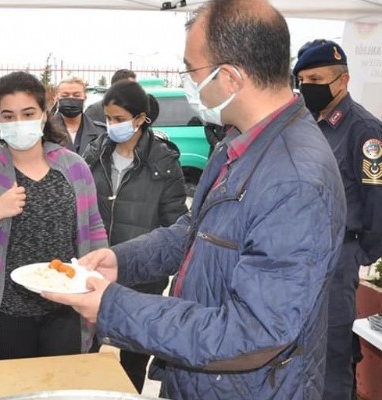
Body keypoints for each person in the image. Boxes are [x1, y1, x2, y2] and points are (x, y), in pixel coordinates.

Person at [44, 1, 347, 399]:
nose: (187, 81)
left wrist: (112, 307)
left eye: (191, 69)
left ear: (231, 77)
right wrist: (123, 260)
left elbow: (255, 332)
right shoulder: (237, 143)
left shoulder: (294, 178)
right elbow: (195, 230)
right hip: (201, 375)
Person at [0, 71, 108, 362]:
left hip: (66, 310)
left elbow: (94, 226)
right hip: (6, 316)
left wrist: (96, 278)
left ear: (43, 115)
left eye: (28, 113)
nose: (19, 123)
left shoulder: (73, 166)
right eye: (9, 116)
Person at [294, 39, 382, 399]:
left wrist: (357, 254)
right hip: (298, 259)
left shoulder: (364, 132)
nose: (307, 86)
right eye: (302, 78)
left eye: (316, 77)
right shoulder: (305, 125)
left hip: (337, 261)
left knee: (330, 360)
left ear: (343, 81)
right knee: (297, 354)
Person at [82, 79, 188, 393]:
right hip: (95, 274)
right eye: (108, 118)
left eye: (118, 119)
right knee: (85, 355)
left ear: (140, 118)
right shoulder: (95, 153)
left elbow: (176, 224)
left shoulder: (164, 162)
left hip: (142, 281)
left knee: (132, 364)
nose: (111, 125)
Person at [51, 76, 106, 155]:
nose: (71, 99)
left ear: (85, 98)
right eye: (65, 96)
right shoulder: (45, 131)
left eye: (76, 95)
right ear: (57, 98)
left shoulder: (102, 132)